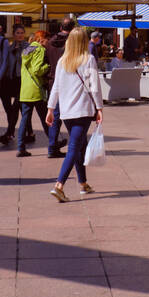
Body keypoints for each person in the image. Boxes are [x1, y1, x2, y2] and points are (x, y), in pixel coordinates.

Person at [46, 28, 103, 202]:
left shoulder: (63, 61)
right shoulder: (89, 59)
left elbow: (55, 86)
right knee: (74, 147)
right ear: (83, 42)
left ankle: (83, 183)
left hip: (66, 112)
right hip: (83, 110)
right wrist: (99, 107)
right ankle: (59, 185)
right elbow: (95, 86)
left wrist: (50, 108)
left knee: (80, 145)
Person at [16, 30, 50, 156]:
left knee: (25, 119)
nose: (48, 43)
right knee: (46, 118)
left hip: (25, 89)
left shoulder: (27, 49)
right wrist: (48, 66)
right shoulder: (40, 49)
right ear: (42, 39)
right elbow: (37, 70)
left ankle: (20, 147)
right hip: (36, 89)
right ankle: (53, 142)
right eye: (47, 40)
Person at [44, 19, 74, 158]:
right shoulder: (72, 42)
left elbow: (45, 61)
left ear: (61, 27)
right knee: (73, 116)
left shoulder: (50, 42)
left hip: (53, 81)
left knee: (55, 117)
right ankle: (77, 145)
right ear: (72, 28)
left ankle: (52, 147)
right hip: (69, 82)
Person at [0, 24, 27, 146]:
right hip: (11, 80)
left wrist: (19, 52)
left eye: (21, 33)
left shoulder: (28, 47)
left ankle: (9, 133)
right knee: (19, 109)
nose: (20, 35)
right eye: (17, 33)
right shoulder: (9, 47)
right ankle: (29, 132)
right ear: (14, 34)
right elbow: (6, 63)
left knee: (16, 107)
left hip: (23, 81)